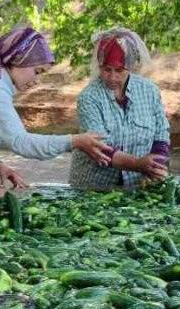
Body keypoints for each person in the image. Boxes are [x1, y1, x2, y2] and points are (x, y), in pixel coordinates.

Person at [0, 27, 113, 198]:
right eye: (36, 71)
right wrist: (74, 141)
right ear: (17, 59)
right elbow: (21, 142)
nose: (36, 81)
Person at [68, 28, 172, 190]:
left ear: (130, 67)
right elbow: (100, 148)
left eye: (119, 70)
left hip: (138, 184)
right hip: (94, 187)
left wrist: (155, 165)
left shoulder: (149, 91)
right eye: (106, 69)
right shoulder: (89, 98)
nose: (112, 77)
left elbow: (161, 132)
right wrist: (138, 164)